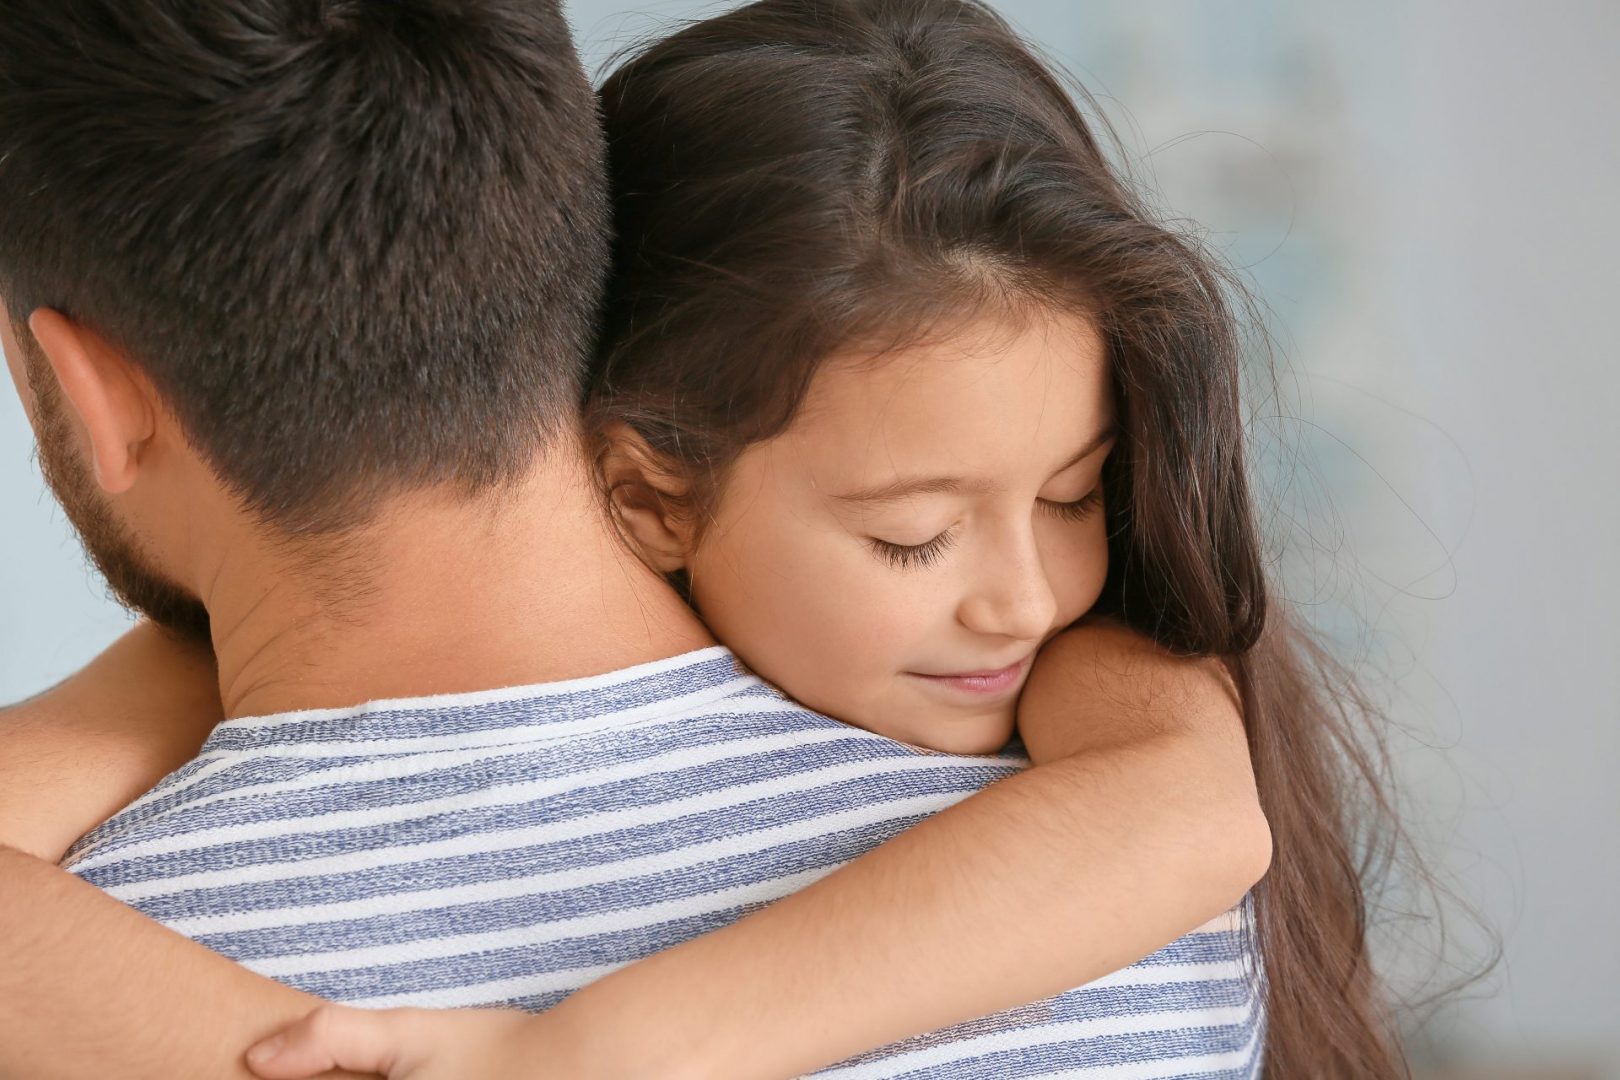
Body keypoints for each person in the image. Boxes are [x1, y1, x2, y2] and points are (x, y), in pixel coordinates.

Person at [0, 1, 1401, 1077]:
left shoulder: (86, 978)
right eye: (913, 533)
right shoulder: (1118, 898)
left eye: (1071, 495)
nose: (1019, 600)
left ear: (92, 390)